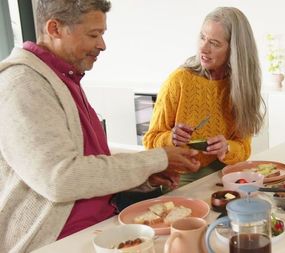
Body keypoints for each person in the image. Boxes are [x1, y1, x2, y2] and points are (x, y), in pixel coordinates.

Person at [0, 0, 200, 252]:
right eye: (94, 35)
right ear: (55, 29)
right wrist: (156, 160)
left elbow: (91, 166)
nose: (102, 45)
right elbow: (61, 179)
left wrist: (142, 178)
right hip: (60, 242)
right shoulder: (23, 84)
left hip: (102, 228)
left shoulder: (63, 78)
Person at [143, 7, 264, 185]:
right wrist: (171, 138)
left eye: (214, 43)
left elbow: (244, 147)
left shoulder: (241, 86)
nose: (203, 48)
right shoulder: (179, 81)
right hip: (181, 181)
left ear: (234, 50)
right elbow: (150, 140)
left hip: (225, 176)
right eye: (202, 37)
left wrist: (227, 148)